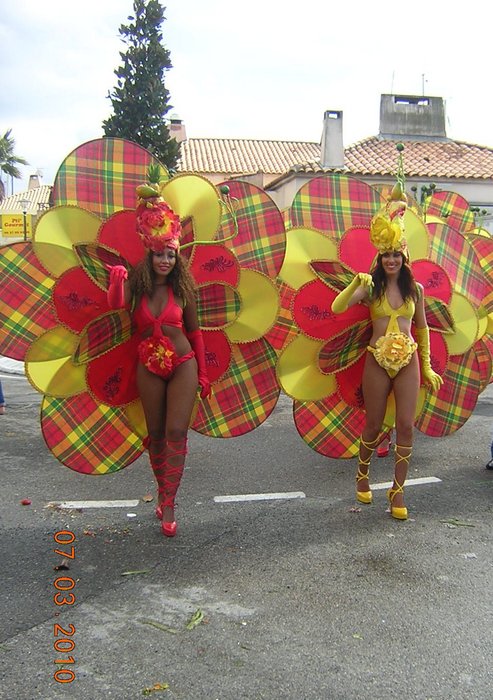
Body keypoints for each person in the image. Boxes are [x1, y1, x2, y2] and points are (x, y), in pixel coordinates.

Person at [106, 188, 211, 537]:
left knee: (176, 432)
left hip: (183, 363)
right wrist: (117, 281)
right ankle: (163, 490)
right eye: (159, 255)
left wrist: (205, 374)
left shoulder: (183, 290)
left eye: (170, 254)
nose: (165, 260)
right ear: (149, 255)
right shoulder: (137, 287)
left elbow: (196, 333)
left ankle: (169, 501)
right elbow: (117, 305)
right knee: (155, 434)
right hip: (147, 365)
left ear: (177, 256)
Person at [331, 195, 443, 520]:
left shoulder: (416, 290)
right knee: (374, 424)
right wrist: (356, 281)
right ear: (379, 258)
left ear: (404, 257)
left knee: (406, 426)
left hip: (408, 362)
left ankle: (398, 491)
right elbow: (337, 307)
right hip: (376, 362)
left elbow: (422, 329)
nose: (391, 260)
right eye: (386, 255)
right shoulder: (370, 289)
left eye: (396, 255)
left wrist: (429, 366)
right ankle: (362, 474)